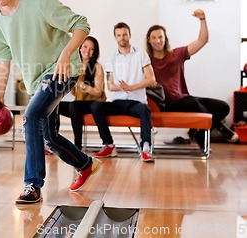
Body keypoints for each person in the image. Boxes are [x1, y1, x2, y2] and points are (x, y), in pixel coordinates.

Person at [0, 0, 100, 204]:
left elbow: (81, 25)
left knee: (31, 118)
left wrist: (66, 53)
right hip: (37, 79)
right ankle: (85, 164)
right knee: (49, 137)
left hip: (63, 70)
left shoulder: (39, 1)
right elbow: (3, 61)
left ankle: (32, 185)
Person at [145, 9, 238, 149]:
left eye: (160, 37)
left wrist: (202, 20)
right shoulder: (146, 61)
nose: (158, 41)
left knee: (222, 107)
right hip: (166, 104)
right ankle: (220, 128)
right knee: (193, 102)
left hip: (184, 99)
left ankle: (196, 132)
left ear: (165, 39)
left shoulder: (176, 55)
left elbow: (202, 40)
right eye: (154, 38)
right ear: (149, 40)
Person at [91, 22, 156, 163]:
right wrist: (121, 87)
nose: (122, 38)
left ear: (130, 35)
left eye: (125, 35)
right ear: (115, 37)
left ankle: (145, 148)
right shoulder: (111, 58)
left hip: (137, 102)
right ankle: (108, 144)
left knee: (145, 110)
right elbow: (110, 85)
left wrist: (131, 87)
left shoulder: (141, 54)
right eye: (119, 35)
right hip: (118, 102)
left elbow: (151, 78)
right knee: (96, 106)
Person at [57, 36, 107, 150]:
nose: (87, 51)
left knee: (74, 105)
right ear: (80, 48)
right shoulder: (75, 66)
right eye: (85, 47)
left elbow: (98, 93)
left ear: (95, 52)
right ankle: (52, 140)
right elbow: (76, 94)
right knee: (56, 105)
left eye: (91, 49)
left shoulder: (97, 67)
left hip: (94, 104)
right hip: (79, 104)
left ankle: (77, 146)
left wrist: (81, 84)